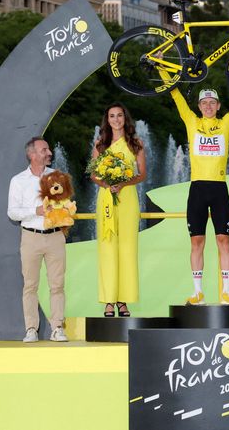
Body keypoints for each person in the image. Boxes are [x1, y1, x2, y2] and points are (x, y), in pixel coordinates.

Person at [164, 62, 229, 306]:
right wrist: (160, 68)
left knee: (223, 240)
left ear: (217, 106)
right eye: (204, 103)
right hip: (197, 188)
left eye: (212, 103)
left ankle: (227, 291)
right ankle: (197, 293)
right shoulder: (191, 122)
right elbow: (174, 93)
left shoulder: (226, 123)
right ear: (199, 106)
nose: (208, 106)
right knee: (197, 241)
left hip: (219, 188)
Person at [7, 136, 68, 343]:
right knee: (30, 285)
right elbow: (12, 213)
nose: (48, 153)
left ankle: (58, 327)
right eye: (44, 150)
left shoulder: (58, 177)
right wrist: (37, 211)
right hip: (31, 237)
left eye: (48, 149)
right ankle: (31, 329)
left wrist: (65, 211)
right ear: (31, 155)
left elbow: (66, 202)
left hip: (56, 236)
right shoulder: (18, 181)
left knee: (57, 285)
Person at [90, 103, 147, 318]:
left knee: (127, 249)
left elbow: (142, 174)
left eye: (120, 115)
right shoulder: (100, 145)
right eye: (112, 116)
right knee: (107, 249)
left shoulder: (136, 144)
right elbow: (94, 175)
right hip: (106, 199)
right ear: (107, 120)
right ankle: (108, 301)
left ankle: (123, 301)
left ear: (125, 118)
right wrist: (106, 184)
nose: (116, 119)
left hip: (127, 199)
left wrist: (123, 183)